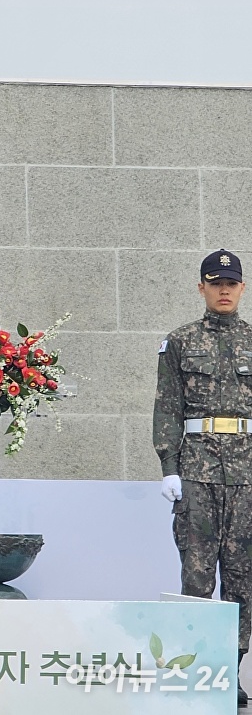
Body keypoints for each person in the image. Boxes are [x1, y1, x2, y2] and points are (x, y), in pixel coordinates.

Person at [153, 249, 252, 708]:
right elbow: (167, 408)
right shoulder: (180, 341)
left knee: (242, 577)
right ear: (202, 288)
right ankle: (196, 669)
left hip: (247, 475)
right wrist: (168, 467)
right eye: (216, 283)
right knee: (197, 574)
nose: (225, 290)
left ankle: (228, 672)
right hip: (196, 471)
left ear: (242, 288)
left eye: (232, 283)